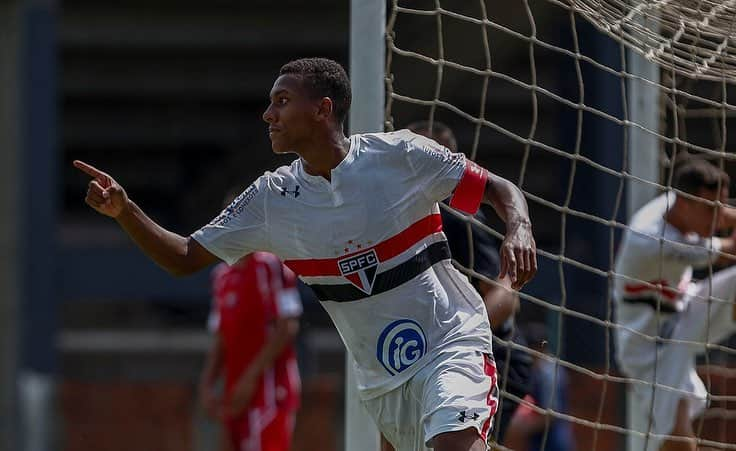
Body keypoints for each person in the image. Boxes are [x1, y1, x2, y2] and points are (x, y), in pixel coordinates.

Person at [74, 57, 537, 451]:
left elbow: (498, 188)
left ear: (323, 109)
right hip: (381, 381)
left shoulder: (402, 155)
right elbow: (183, 257)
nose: (267, 115)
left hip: (451, 342)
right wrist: (126, 210)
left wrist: (518, 227)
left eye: (281, 101)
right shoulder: (271, 199)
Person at [405, 120, 533, 447]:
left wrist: (459, 342)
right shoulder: (396, 212)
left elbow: (506, 293)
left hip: (489, 360)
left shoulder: (456, 216)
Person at [613, 156, 736, 451]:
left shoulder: (680, 202)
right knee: (679, 441)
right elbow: (730, 250)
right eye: (709, 209)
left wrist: (720, 211)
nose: (717, 217)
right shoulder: (654, 239)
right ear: (683, 202)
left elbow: (722, 216)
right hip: (648, 344)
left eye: (720, 205)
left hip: (683, 311)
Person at [198, 191, 302, 451]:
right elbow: (221, 336)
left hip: (269, 390)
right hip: (235, 393)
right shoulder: (220, 276)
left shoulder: (270, 265)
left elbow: (287, 326)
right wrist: (208, 382)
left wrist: (250, 378)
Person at [502, 323, 575, 451]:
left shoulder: (549, 373)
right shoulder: (542, 369)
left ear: (538, 349)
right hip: (541, 439)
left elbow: (551, 414)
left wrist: (521, 427)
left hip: (553, 440)